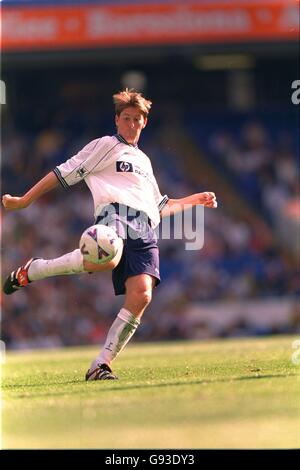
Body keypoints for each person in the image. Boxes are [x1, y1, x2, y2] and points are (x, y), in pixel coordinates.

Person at [2, 89, 217, 380]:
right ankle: (37, 269)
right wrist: (25, 200)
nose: (131, 124)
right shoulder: (106, 146)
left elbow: (159, 206)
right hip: (114, 216)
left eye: (136, 119)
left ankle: (101, 363)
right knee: (108, 256)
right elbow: (63, 173)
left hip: (144, 227)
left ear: (144, 123)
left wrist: (195, 200)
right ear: (116, 120)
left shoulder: (144, 161)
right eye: (126, 118)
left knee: (142, 295)